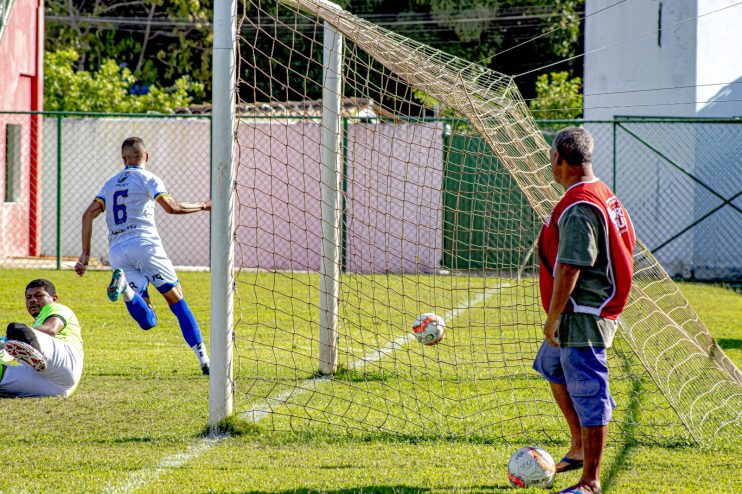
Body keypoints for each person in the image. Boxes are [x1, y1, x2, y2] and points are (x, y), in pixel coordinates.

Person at [532, 127, 636, 494]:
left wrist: (554, 316)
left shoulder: (579, 206)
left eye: (550, 155)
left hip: (582, 314)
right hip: (581, 311)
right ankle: (577, 448)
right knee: (550, 366)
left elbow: (571, 266)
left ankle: (590, 483)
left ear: (559, 157)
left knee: (590, 392)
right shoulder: (600, 191)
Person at [75, 136, 212, 375]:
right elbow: (173, 207)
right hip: (145, 245)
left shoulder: (110, 184)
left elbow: (88, 215)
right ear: (146, 156)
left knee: (148, 321)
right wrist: (202, 205)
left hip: (118, 251)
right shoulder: (148, 178)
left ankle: (126, 289)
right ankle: (204, 360)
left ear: (123, 159)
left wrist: (85, 256)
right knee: (176, 300)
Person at [0, 279, 84, 397]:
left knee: (15, 328)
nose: (33, 300)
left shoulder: (57, 308)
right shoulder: (36, 325)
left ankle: (36, 355)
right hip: (58, 389)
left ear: (54, 299)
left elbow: (51, 329)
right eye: (28, 297)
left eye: (39, 295)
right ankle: (34, 358)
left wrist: (8, 340)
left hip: (66, 361)